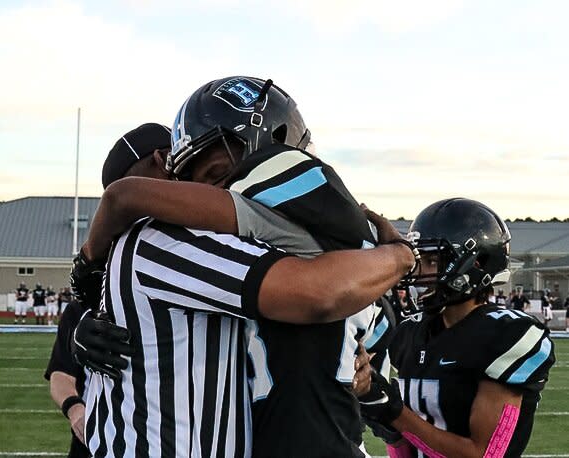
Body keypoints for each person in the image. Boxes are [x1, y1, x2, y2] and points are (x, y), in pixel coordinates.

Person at [75, 78, 395, 456]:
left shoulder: (272, 222)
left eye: (211, 176)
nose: (194, 196)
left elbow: (322, 295)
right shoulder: (180, 240)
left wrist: (402, 258)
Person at [359, 198, 555, 458]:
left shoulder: (506, 336)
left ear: (475, 263)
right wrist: (387, 421)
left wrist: (393, 411)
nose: (418, 274)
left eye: (431, 261)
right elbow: (407, 445)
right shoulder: (411, 333)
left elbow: (485, 455)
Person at [45, 296, 102, 458]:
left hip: (158, 433)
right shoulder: (81, 308)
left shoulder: (171, 301)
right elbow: (61, 373)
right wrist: (75, 409)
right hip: (93, 433)